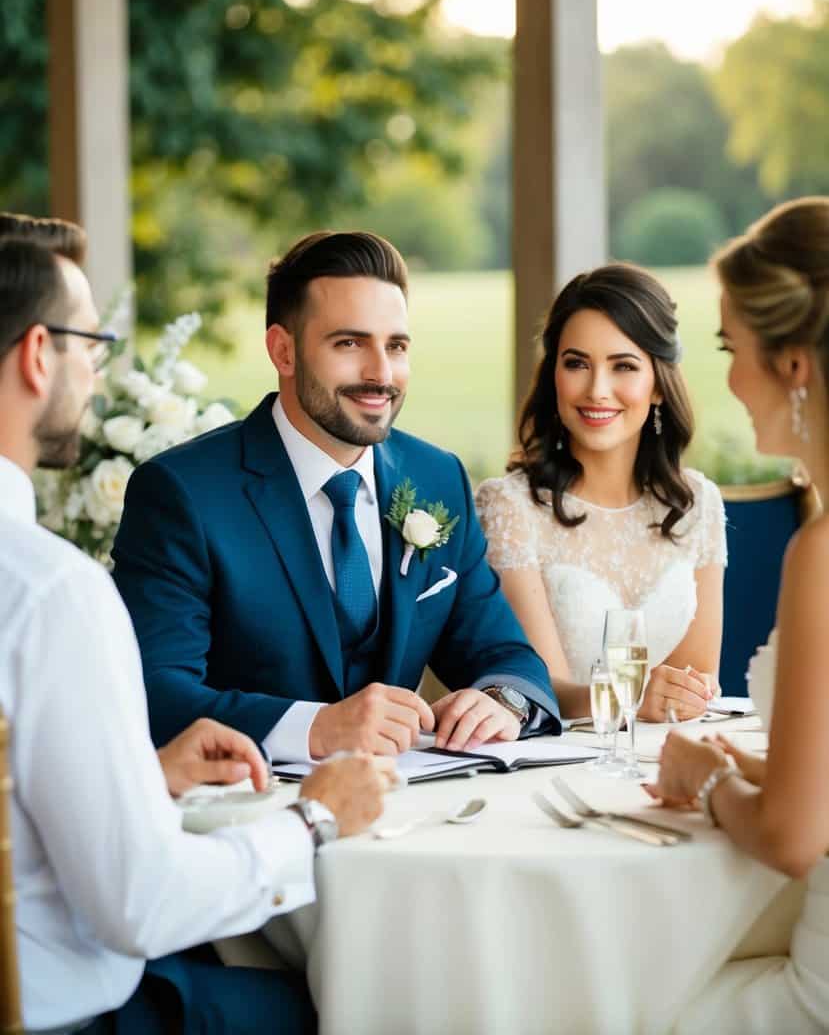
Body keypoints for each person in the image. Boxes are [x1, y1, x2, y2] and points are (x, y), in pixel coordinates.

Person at [0, 227, 392, 1033]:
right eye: (91, 340)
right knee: (376, 1005)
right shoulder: (48, 595)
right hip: (65, 1015)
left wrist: (140, 776)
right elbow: (139, 907)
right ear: (39, 355)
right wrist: (312, 820)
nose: (99, 365)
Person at [112, 231, 560, 762]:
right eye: (349, 343)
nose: (381, 374)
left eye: (395, 346)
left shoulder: (438, 478)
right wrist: (315, 728)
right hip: (249, 816)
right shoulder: (182, 493)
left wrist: (502, 701)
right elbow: (154, 693)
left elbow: (508, 657)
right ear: (284, 351)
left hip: (416, 813)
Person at [647, 197, 829, 1033]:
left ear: (792, 363)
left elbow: (792, 841)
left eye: (729, 347)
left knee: (598, 1002)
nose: (722, 376)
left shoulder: (821, 549)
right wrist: (760, 767)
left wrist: (704, 779)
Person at [476, 263, 726, 723]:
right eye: (576, 364)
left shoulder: (698, 504)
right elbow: (539, 688)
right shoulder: (510, 508)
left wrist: (678, 698)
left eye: (623, 366)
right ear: (554, 375)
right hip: (559, 754)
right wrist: (627, 698)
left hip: (666, 756)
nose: (597, 390)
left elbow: (696, 680)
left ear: (657, 386)